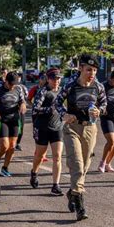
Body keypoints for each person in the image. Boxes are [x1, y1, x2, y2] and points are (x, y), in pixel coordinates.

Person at [55, 55, 107, 221]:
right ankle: (80, 204)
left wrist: (100, 111)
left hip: (90, 128)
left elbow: (104, 104)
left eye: (94, 70)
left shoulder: (98, 87)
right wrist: (65, 114)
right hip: (72, 128)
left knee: (85, 165)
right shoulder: (70, 85)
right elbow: (57, 103)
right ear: (80, 69)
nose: (92, 73)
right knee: (76, 164)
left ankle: (72, 192)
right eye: (88, 70)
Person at [30, 67, 64, 195]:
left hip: (57, 127)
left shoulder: (61, 92)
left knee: (57, 156)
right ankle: (34, 173)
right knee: (39, 155)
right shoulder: (43, 91)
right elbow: (35, 109)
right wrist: (50, 109)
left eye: (58, 78)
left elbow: (63, 107)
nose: (56, 81)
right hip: (42, 127)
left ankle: (56, 185)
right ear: (48, 79)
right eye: (53, 78)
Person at [0, 71, 26, 177]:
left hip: (14, 119)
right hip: (2, 120)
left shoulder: (18, 89)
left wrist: (23, 104)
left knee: (12, 146)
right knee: (5, 146)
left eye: (15, 84)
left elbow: (22, 100)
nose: (12, 87)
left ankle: (5, 168)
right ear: (6, 81)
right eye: (11, 84)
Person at [15, 74, 29, 151]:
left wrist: (23, 105)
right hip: (11, 111)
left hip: (21, 111)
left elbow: (26, 97)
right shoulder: (10, 86)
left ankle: (17, 143)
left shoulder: (23, 87)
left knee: (21, 128)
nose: (18, 79)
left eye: (19, 77)